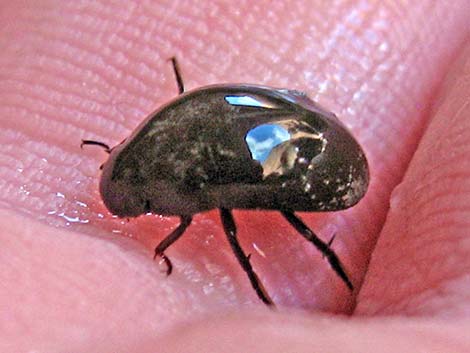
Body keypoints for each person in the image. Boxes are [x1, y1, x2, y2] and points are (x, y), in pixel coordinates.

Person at [1, 1, 469, 351]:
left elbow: (185, 215)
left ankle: (289, 282)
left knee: (273, 232)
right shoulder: (181, 143)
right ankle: (296, 278)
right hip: (301, 143)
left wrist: (165, 241)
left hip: (320, 159)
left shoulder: (192, 162)